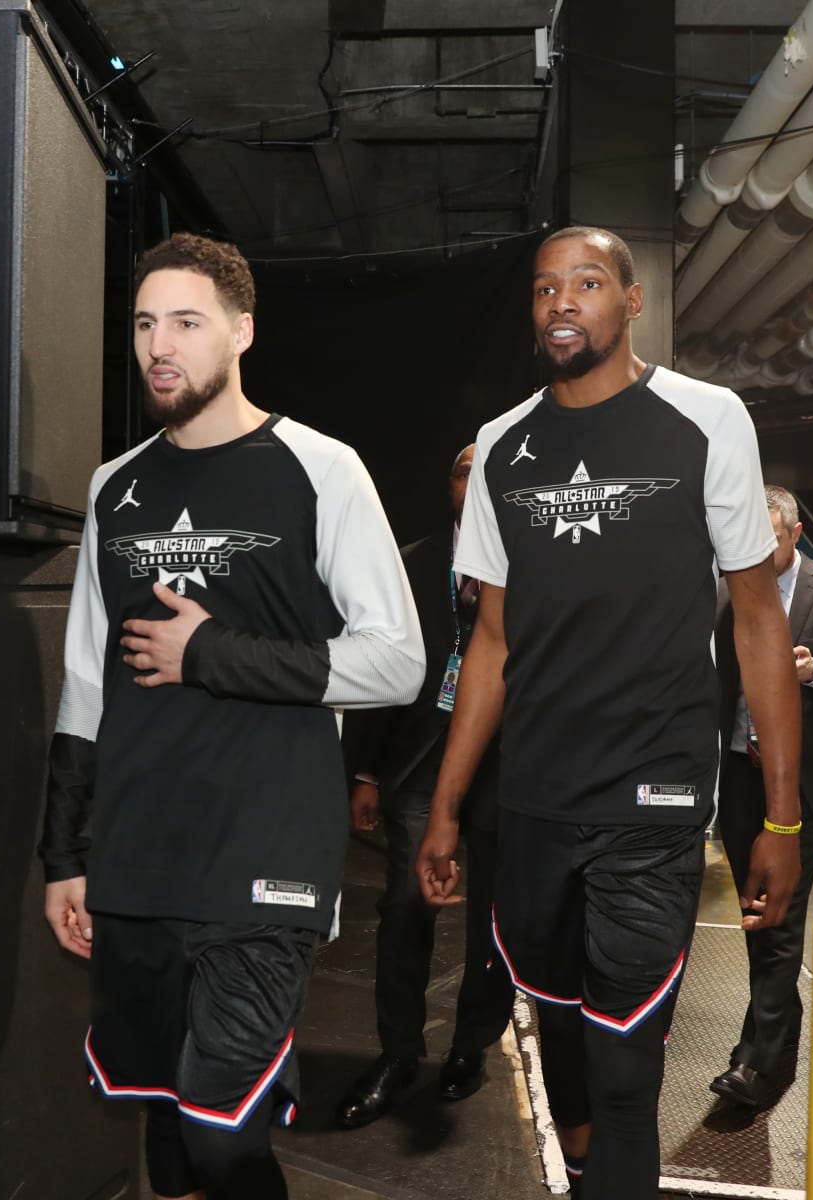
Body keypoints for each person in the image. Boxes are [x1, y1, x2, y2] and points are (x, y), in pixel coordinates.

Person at [415, 225, 803, 1199]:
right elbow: (492, 644)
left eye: (587, 283)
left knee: (629, 1067)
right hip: (537, 798)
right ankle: (586, 1170)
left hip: (657, 798)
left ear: (632, 303)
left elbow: (757, 621)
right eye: (546, 288)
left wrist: (783, 820)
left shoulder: (708, 418)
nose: (562, 303)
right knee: (558, 1027)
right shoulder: (505, 443)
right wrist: (447, 803)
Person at [38, 233, 425, 1200]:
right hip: (138, 851)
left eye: (186, 322)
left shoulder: (321, 468)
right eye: (143, 324)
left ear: (241, 331)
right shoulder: (113, 486)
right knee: (168, 1130)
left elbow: (398, 663)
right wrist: (64, 854)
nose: (158, 345)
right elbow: (87, 679)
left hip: (264, 850)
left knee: (223, 1134)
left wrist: (211, 653)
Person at [333, 444, 514, 1129]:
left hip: (503, 763)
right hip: (417, 763)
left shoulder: (532, 559)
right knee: (406, 907)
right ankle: (398, 1053)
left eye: (486, 469)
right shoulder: (409, 563)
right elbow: (380, 673)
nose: (474, 479)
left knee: (492, 920)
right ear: (450, 485)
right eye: (463, 468)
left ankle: (471, 1048)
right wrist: (367, 771)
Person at [711, 486, 813, 1109]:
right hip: (737, 774)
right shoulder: (725, 592)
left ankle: (757, 1061)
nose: (754, 550)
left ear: (796, 533)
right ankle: (777, 1034)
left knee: (777, 911)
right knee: (758, 912)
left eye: (769, 538)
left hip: (805, 785)